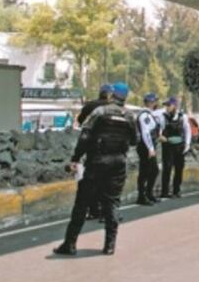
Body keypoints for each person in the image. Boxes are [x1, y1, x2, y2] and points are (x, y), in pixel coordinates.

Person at [54, 82, 137, 256]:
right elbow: (135, 140)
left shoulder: (99, 112)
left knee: (82, 203)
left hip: (97, 162)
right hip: (118, 163)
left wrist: (75, 159)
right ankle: (109, 246)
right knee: (112, 203)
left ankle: (70, 244)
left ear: (111, 95)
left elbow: (84, 136)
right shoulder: (130, 116)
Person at [77, 83, 112, 219]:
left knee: (92, 180)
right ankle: (104, 211)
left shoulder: (90, 106)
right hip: (108, 148)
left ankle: (93, 210)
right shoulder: (113, 108)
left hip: (92, 149)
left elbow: (81, 121)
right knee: (107, 182)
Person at [159, 97, 190, 199]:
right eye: (166, 105)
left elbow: (187, 131)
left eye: (169, 105)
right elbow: (160, 130)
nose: (167, 108)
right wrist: (161, 137)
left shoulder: (183, 117)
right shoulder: (163, 117)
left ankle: (176, 190)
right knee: (167, 168)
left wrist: (187, 144)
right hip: (168, 146)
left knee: (179, 169)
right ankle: (165, 191)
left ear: (175, 106)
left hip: (179, 146)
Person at [136, 93, 161, 205]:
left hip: (149, 146)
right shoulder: (144, 115)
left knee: (152, 170)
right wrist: (150, 148)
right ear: (151, 102)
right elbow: (146, 132)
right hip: (145, 147)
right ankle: (142, 195)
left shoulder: (150, 114)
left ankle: (148, 193)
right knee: (146, 171)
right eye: (155, 101)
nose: (156, 104)